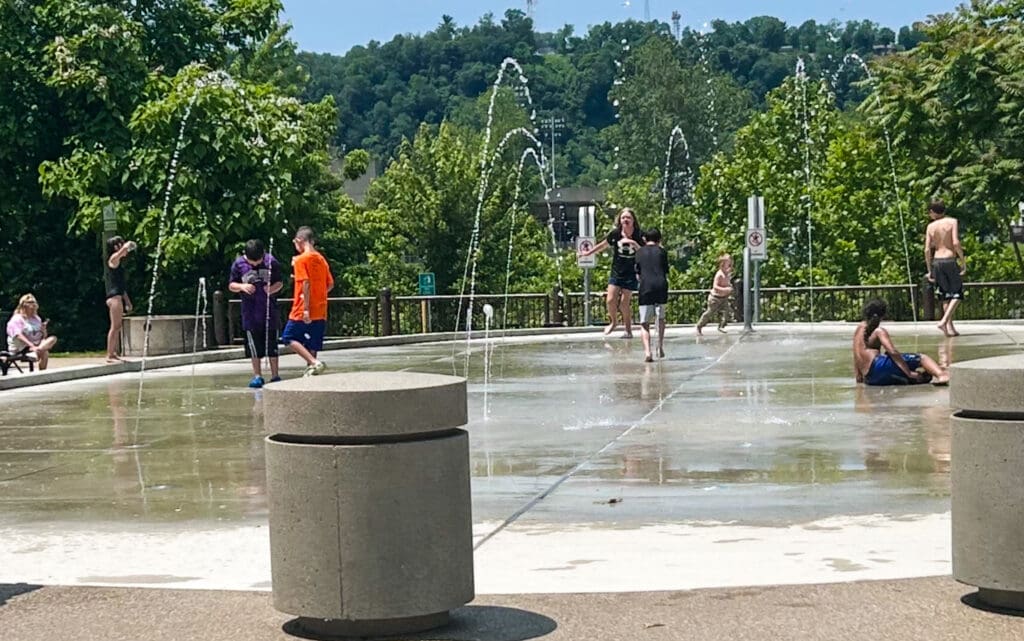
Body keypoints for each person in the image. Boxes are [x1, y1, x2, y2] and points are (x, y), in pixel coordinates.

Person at [853, 298, 948, 386]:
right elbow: (893, 352)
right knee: (922, 358)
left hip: (870, 378)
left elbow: (855, 354)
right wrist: (909, 372)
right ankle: (941, 375)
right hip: (879, 366)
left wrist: (859, 377)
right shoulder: (879, 331)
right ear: (883, 315)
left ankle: (916, 378)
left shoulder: (859, 329)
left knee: (908, 376)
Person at [578, 208, 643, 338]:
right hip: (617, 271)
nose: (625, 220)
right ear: (619, 220)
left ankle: (628, 330)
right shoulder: (616, 234)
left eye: (628, 218)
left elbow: (645, 252)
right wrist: (588, 253)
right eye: (623, 217)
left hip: (631, 272)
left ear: (633, 220)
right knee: (610, 300)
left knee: (624, 303)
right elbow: (603, 245)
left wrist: (633, 243)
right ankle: (613, 322)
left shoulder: (639, 235)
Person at [229, 239, 284, 388]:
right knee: (254, 347)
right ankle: (257, 376)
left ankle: (275, 375)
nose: (254, 264)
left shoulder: (271, 262)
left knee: (272, 345)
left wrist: (271, 289)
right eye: (251, 262)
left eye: (258, 261)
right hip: (250, 314)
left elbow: (280, 282)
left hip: (269, 312)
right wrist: (242, 286)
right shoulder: (239, 264)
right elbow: (231, 285)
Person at [281, 226, 334, 377]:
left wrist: (305, 308)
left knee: (288, 337)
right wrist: (319, 296)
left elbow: (305, 283)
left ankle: (313, 362)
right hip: (321, 309)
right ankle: (312, 370)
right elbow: (330, 284)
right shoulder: (321, 259)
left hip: (303, 308)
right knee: (313, 342)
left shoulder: (300, 260)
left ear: (299, 241)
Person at [924, 199, 966, 337]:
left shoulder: (930, 227)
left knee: (945, 295)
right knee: (957, 293)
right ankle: (943, 322)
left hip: (937, 260)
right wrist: (962, 260)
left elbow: (926, 250)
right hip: (949, 259)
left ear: (932, 212)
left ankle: (949, 328)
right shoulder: (952, 222)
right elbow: (955, 242)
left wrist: (929, 269)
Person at [635, 227, 669, 362]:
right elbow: (665, 271)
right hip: (661, 285)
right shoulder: (662, 252)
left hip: (645, 287)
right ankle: (660, 347)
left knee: (644, 323)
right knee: (660, 318)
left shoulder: (639, 252)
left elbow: (637, 273)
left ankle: (648, 352)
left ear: (644, 239)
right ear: (659, 239)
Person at [105, 236, 136, 363]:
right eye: (120, 244)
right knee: (115, 326)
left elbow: (121, 286)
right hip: (114, 297)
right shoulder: (113, 259)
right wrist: (127, 245)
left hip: (118, 296)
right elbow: (120, 253)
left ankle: (113, 353)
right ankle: (110, 355)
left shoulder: (119, 263)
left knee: (118, 326)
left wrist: (128, 301)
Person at [6, 294, 57, 370]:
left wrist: (44, 331)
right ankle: (37, 354)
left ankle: (40, 372)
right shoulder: (17, 319)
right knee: (45, 352)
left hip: (36, 346)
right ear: (24, 305)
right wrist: (31, 345)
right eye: (30, 302)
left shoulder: (37, 319)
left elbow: (43, 337)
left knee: (53, 339)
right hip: (21, 347)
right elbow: (18, 335)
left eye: (34, 302)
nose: (33, 304)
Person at [696, 253, 734, 335]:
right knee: (709, 313)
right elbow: (715, 286)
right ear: (723, 263)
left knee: (727, 311)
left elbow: (727, 282)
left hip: (723, 298)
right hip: (715, 298)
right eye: (728, 262)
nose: (729, 264)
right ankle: (699, 326)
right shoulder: (719, 274)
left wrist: (729, 287)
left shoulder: (727, 273)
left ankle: (721, 326)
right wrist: (725, 289)